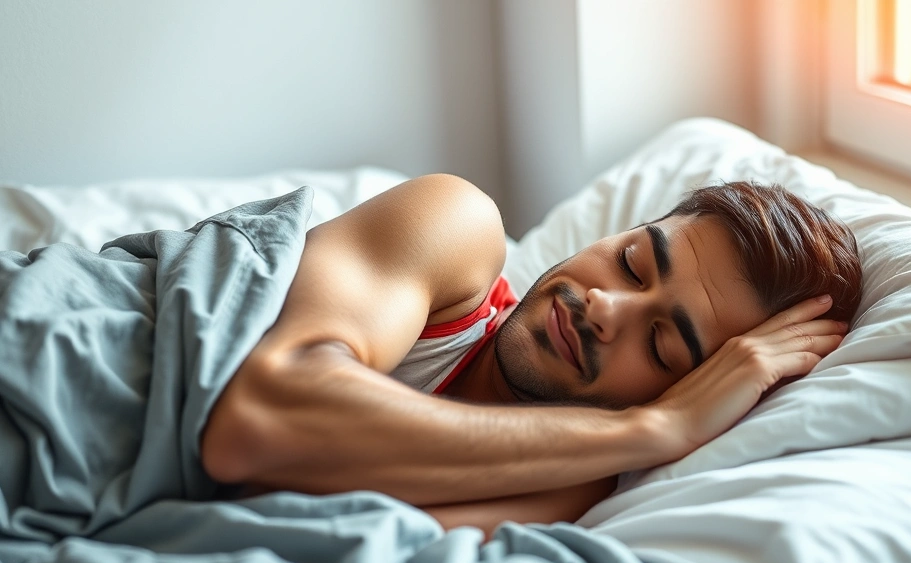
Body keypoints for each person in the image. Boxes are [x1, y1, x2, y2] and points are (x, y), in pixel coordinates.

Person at [200, 174, 862, 537]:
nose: (606, 308)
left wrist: (650, 435)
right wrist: (656, 426)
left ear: (690, 386)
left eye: (661, 344)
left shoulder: (571, 483)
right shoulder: (456, 226)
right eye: (632, 263)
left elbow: (278, 528)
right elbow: (259, 422)